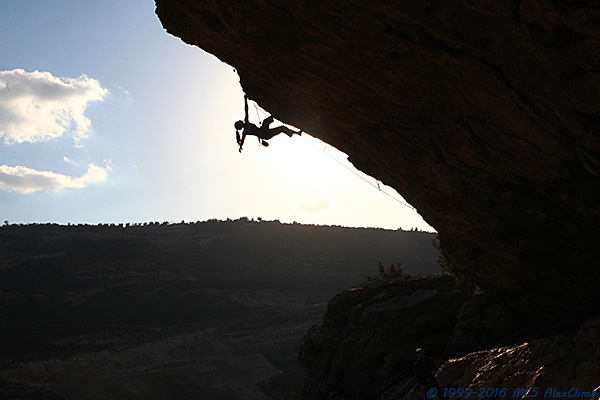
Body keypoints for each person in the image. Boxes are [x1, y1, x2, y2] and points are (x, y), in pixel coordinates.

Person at [235, 95, 301, 152]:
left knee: (281, 128)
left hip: (264, 132)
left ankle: (297, 133)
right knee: (266, 122)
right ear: (239, 126)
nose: (239, 121)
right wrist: (241, 146)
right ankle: (274, 115)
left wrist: (245, 100)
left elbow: (246, 110)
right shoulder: (245, 131)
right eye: (238, 122)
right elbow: (242, 141)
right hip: (264, 133)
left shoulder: (246, 124)